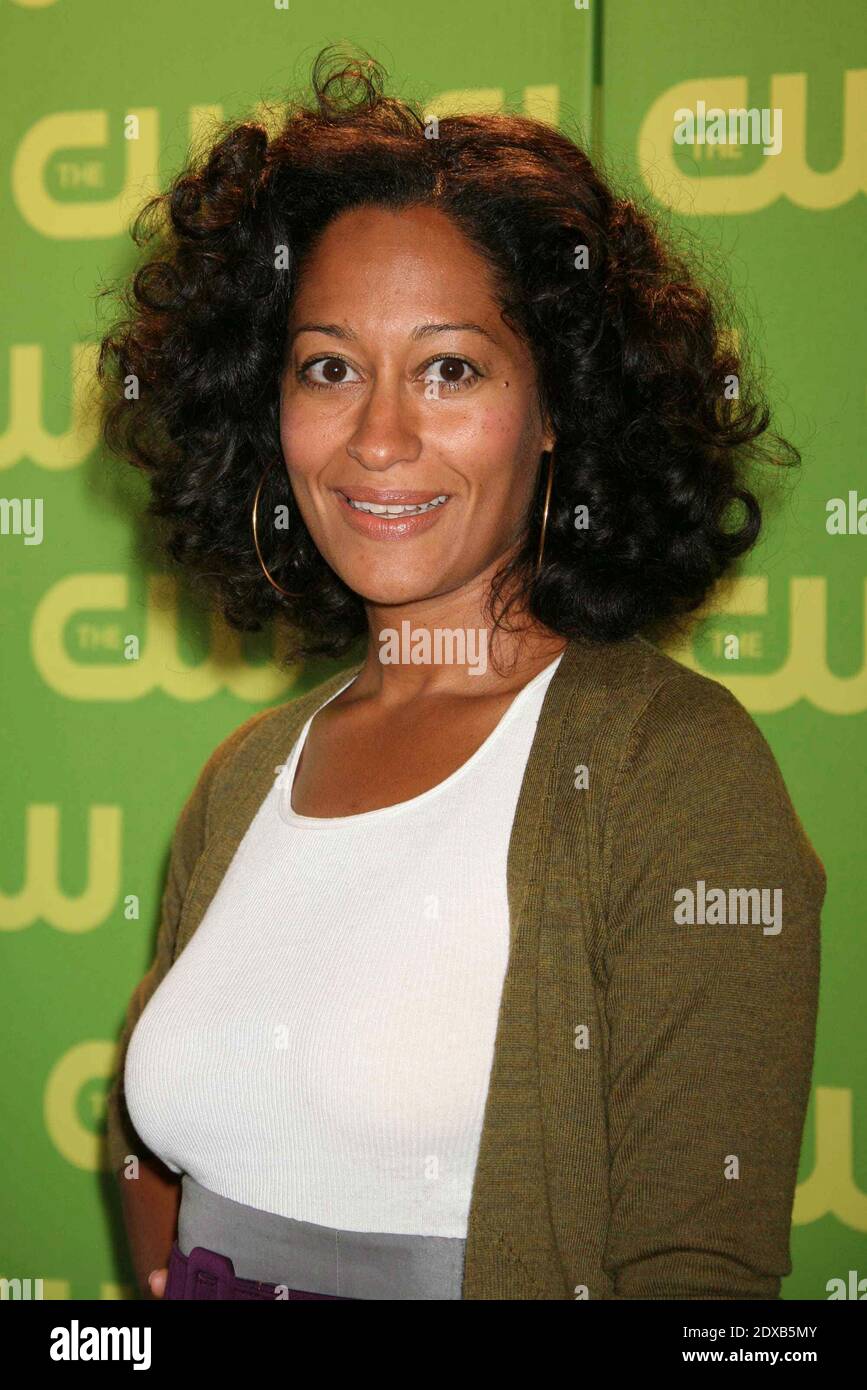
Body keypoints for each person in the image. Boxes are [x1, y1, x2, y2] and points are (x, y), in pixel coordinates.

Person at [99, 46, 824, 1301]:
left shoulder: (674, 768)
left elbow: (698, 1282)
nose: (379, 437)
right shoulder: (251, 775)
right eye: (328, 365)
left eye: (451, 368)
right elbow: (152, 1150)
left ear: (558, 408)